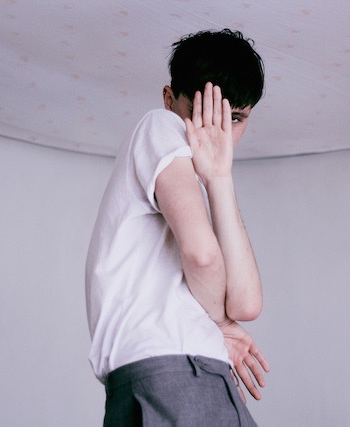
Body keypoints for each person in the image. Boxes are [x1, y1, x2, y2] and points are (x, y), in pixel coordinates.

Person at [85, 29, 269, 426]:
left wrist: (219, 177)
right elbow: (202, 256)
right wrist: (219, 322)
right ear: (169, 100)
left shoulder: (195, 177)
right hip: (180, 372)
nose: (216, 131)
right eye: (203, 111)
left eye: (234, 118)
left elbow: (247, 304)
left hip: (155, 375)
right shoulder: (160, 126)